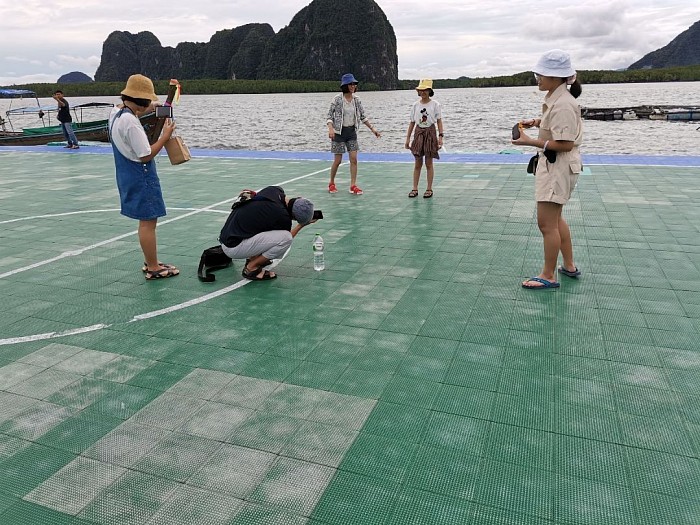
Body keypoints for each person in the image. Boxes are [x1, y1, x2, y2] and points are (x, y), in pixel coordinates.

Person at [512, 49, 583, 289]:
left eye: (541, 74)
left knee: (546, 224)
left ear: (555, 77)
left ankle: (548, 275)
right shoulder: (559, 99)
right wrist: (537, 122)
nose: (538, 79)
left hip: (557, 166)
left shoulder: (563, 104)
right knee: (556, 218)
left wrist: (529, 140)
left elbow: (565, 143)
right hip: (558, 166)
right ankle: (569, 265)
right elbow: (557, 126)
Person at [108, 74, 179, 280]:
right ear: (142, 100)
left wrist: (158, 105)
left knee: (145, 220)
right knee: (148, 222)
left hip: (126, 174)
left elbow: (141, 109)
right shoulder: (131, 123)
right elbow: (146, 154)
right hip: (141, 175)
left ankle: (151, 261)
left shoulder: (117, 113)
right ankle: (153, 267)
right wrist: (165, 136)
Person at [219, 186, 316, 280]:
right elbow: (287, 237)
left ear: (298, 198)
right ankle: (251, 267)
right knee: (285, 239)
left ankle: (254, 258)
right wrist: (301, 225)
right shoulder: (282, 217)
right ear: (294, 217)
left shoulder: (274, 190)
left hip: (228, 237)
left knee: (264, 224)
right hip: (233, 247)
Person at [326, 73, 381, 195]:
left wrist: (373, 129)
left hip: (351, 132)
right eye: (351, 84)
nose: (353, 86)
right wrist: (330, 129)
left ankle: (353, 185)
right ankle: (331, 183)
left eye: (354, 84)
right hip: (338, 133)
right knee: (338, 160)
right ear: (345, 85)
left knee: (354, 159)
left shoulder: (357, 100)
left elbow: (363, 116)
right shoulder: (337, 99)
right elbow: (329, 116)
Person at [405, 79, 443, 198]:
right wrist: (407, 139)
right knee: (417, 162)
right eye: (421, 90)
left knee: (429, 163)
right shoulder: (416, 105)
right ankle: (415, 189)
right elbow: (412, 123)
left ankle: (429, 189)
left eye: (425, 90)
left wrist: (440, 136)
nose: (423, 92)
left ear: (429, 91)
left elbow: (439, 121)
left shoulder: (435, 104)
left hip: (430, 133)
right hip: (418, 132)